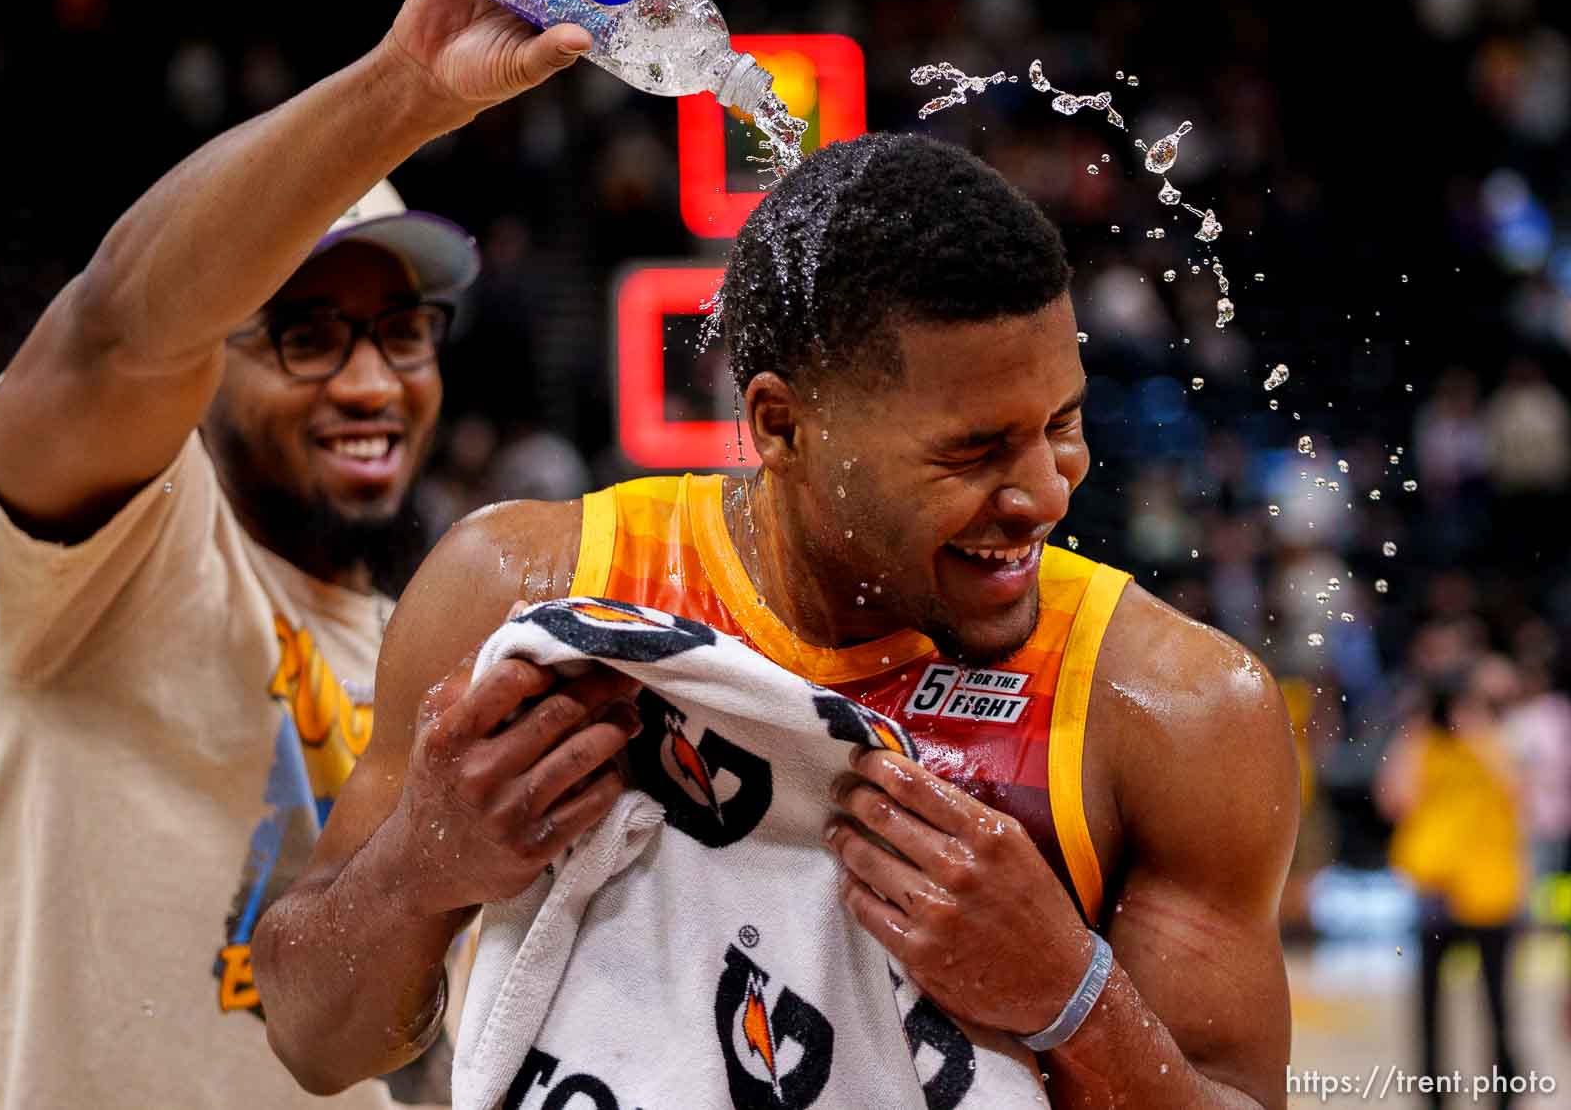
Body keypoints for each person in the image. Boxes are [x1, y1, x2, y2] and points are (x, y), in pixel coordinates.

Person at [256, 133, 1301, 1106]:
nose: (1046, 493)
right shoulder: (527, 590)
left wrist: (1070, 994)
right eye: (975, 450)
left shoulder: (1176, 709)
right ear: (778, 423)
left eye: (1062, 424)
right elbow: (315, 1040)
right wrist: (423, 864)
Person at [0, 0, 677, 1108]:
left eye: (400, 332)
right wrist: (403, 90)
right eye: (305, 336)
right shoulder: (105, 552)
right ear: (209, 359)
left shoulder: (419, 645)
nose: (373, 383)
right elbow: (119, 327)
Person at [1378, 665, 1529, 1109]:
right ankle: (1433, 1092)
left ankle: (1505, 1089)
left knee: (1499, 1004)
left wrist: (1480, 734)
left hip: (1489, 892)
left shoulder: (1496, 744)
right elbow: (1394, 799)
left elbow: (1519, 791)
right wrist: (1414, 737)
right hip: (1438, 893)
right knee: (1430, 1007)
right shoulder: (1423, 746)